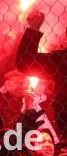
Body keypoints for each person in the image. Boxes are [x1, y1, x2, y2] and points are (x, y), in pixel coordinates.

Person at [16, 9, 67, 140]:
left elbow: (25, 62)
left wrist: (34, 29)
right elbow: (26, 62)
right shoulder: (62, 60)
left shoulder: (62, 60)